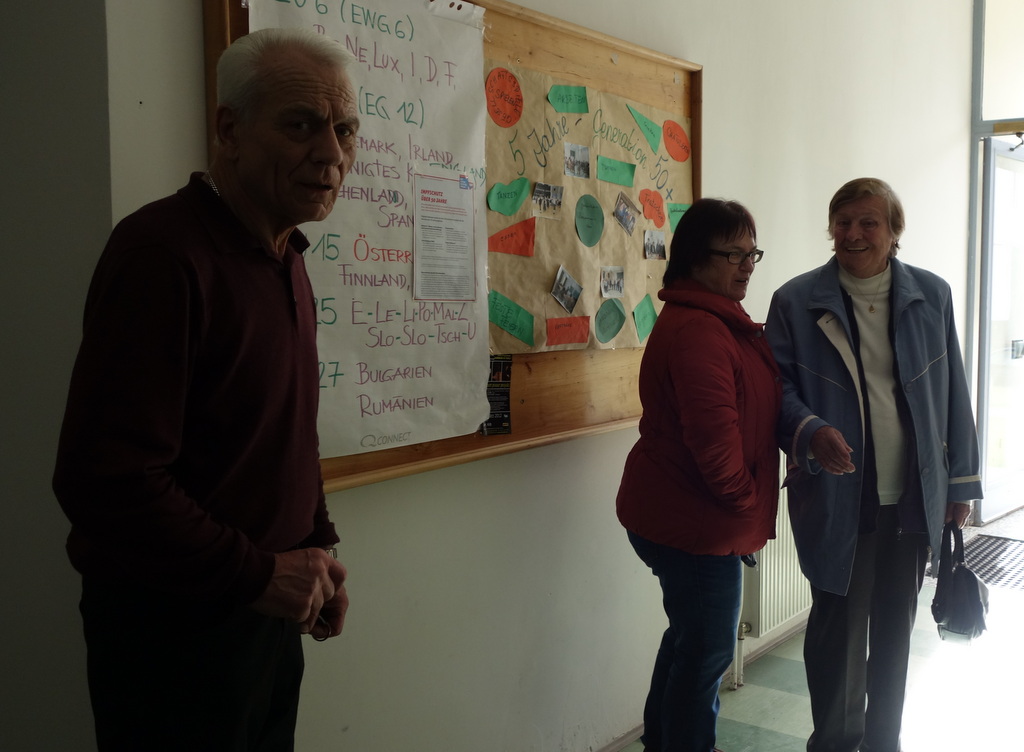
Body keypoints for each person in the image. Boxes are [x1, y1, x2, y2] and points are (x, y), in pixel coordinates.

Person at [52, 28, 360, 751]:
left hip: (265, 614)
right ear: (229, 130)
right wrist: (259, 573)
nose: (331, 154)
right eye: (301, 125)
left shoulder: (287, 257)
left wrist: (315, 547)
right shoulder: (162, 255)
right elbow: (106, 480)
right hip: (174, 637)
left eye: (345, 130)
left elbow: (283, 433)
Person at [765, 177, 982, 752]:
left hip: (912, 497)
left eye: (869, 223)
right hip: (838, 499)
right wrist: (811, 431)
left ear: (893, 232)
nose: (854, 234)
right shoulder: (795, 301)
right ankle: (835, 744)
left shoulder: (931, 295)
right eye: (843, 222)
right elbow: (775, 390)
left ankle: (885, 742)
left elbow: (953, 393)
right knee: (836, 637)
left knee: (894, 636)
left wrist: (960, 483)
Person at [617, 198, 782, 752]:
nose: (747, 265)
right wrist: (746, 505)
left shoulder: (714, 321)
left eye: (752, 253)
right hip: (695, 524)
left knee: (690, 641)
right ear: (694, 257)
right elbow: (715, 447)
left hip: (684, 513)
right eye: (733, 254)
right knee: (707, 651)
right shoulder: (701, 332)